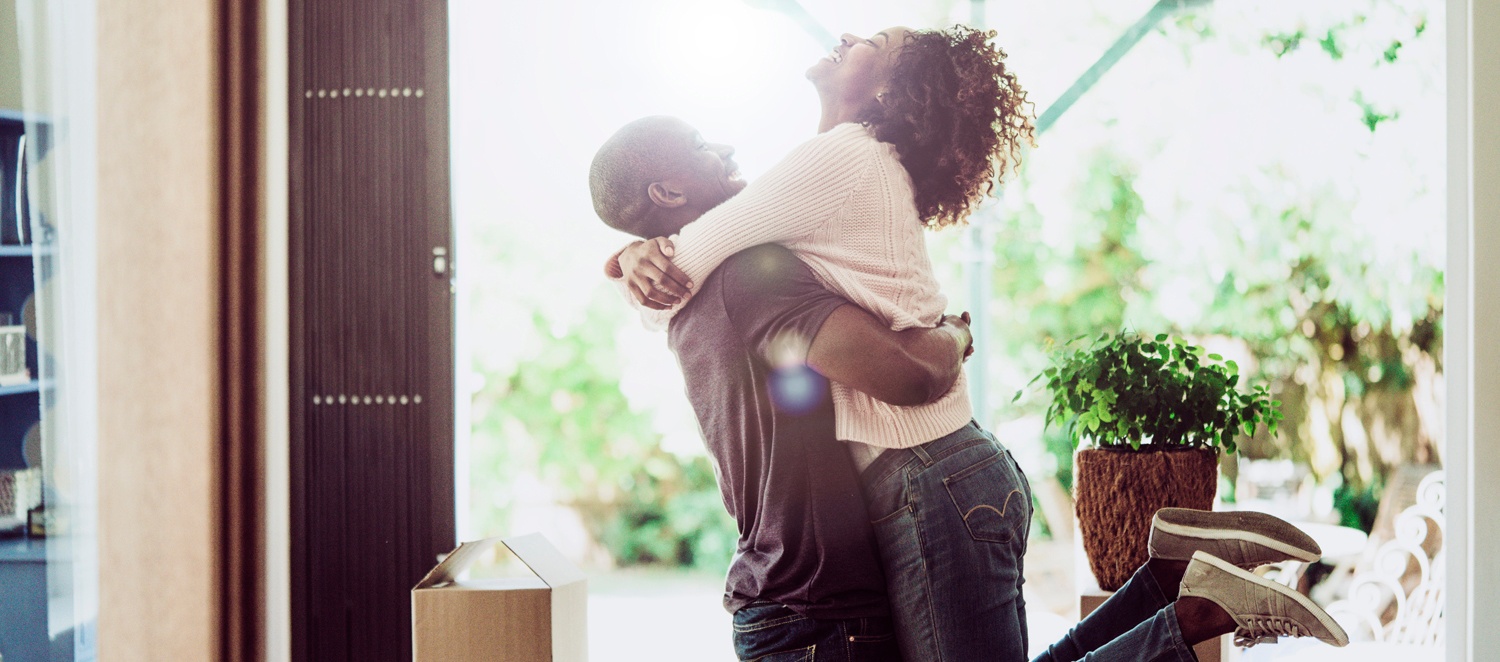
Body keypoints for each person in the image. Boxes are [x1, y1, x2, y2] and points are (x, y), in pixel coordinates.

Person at [590, 115, 1348, 661]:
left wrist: (629, 260)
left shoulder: (705, 281)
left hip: (811, 593)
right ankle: (1180, 593)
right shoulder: (744, 278)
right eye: (698, 145)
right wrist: (953, 332)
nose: (723, 143)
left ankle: (1184, 596)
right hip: (810, 601)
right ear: (665, 188)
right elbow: (910, 375)